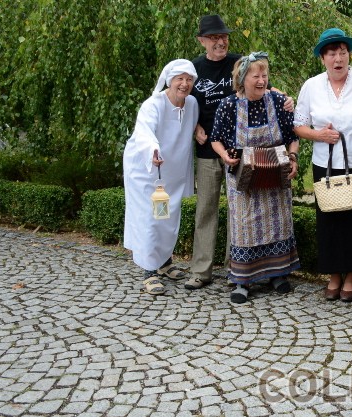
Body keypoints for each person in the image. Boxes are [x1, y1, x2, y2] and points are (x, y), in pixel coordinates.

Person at [187, 14, 293, 290]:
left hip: (247, 156)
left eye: (222, 36)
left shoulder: (239, 62)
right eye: (213, 38)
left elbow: (262, 81)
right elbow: (180, 100)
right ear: (202, 41)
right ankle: (201, 271)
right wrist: (195, 125)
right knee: (207, 210)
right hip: (211, 150)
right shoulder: (194, 69)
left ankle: (234, 270)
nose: (220, 41)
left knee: (242, 216)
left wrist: (286, 98)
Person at [293, 28, 352, 302]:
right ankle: (334, 274)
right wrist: (318, 135)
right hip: (327, 165)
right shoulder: (311, 86)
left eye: (342, 52)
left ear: (349, 55)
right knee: (330, 222)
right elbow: (298, 125)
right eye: (331, 53)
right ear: (323, 58)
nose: (337, 58)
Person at [209, 52, 301, 304]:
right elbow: (215, 138)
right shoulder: (228, 105)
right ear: (242, 78)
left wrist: (292, 158)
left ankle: (277, 274)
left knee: (277, 223)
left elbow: (293, 136)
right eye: (255, 76)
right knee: (245, 228)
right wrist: (224, 157)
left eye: (264, 75)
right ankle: (242, 280)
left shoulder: (278, 100)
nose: (261, 80)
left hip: (275, 176)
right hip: (243, 179)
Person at [123, 59, 199, 295]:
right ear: (169, 80)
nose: (184, 84)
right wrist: (153, 151)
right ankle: (149, 271)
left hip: (173, 171)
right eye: (180, 79)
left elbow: (194, 124)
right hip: (147, 171)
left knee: (168, 216)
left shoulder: (192, 103)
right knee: (150, 218)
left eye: (189, 79)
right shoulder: (153, 104)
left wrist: (200, 130)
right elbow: (144, 132)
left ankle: (164, 262)